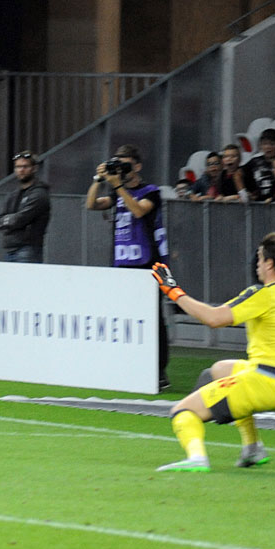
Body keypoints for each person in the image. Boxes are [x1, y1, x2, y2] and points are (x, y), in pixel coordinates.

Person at [151, 232, 275, 472]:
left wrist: (173, 291)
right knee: (219, 370)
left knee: (182, 411)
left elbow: (213, 318)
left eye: (260, 258)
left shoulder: (263, 294)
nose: (257, 264)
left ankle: (196, 458)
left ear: (270, 263)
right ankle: (252, 448)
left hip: (270, 382)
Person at [85, 144, 171, 389]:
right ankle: (130, 366)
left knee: (154, 317)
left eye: (127, 165)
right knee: (125, 316)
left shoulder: (151, 191)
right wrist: (98, 179)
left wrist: (118, 186)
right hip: (122, 262)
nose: (122, 169)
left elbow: (138, 211)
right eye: (119, 164)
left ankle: (160, 371)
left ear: (137, 166)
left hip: (148, 263)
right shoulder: (115, 191)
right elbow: (91, 205)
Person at [0, 150, 50, 262]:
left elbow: (20, 219)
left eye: (25, 166)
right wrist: (11, 220)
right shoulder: (13, 194)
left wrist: (8, 220)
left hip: (29, 250)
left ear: (34, 168)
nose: (21, 170)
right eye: (18, 167)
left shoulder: (39, 194)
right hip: (10, 250)